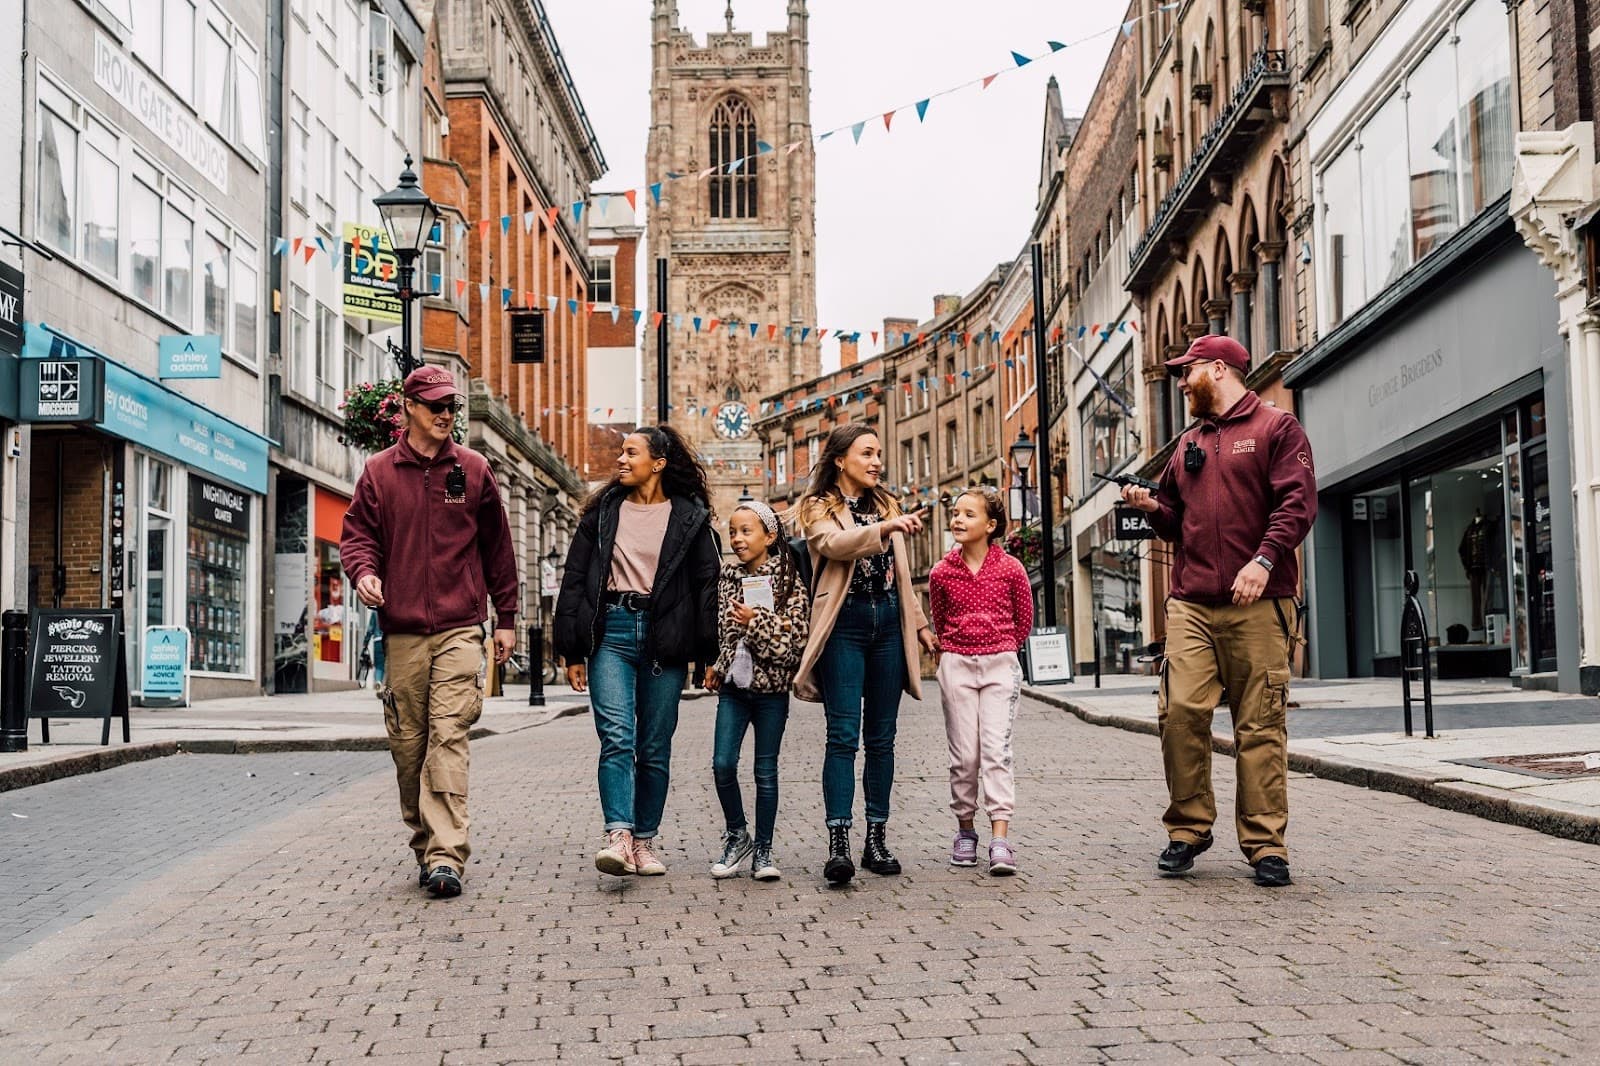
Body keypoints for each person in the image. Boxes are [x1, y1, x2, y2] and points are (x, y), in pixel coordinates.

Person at [1121, 334, 1317, 888]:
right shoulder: (1188, 443)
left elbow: (1298, 504)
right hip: (1191, 603)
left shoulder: (1277, 428)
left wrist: (1264, 559)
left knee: (1260, 725)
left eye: (1188, 372)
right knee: (1180, 712)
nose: (1182, 382)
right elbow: (1174, 518)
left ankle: (1265, 845)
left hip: (1259, 600)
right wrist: (1151, 507)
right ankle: (1188, 829)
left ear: (1218, 369)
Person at [340, 365, 518, 900]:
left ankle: (446, 855)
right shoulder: (378, 472)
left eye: (451, 407)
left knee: (448, 735)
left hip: (461, 626)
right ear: (409, 408)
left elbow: (498, 549)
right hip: (402, 632)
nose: (446, 415)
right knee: (409, 747)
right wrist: (364, 573)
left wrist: (506, 618)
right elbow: (358, 537)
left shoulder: (474, 469)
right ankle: (425, 844)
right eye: (436, 406)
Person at [554, 425, 719, 878]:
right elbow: (574, 579)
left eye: (631, 453)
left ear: (658, 463)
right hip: (612, 631)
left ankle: (644, 841)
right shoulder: (602, 513)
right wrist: (571, 651)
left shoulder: (690, 517)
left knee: (654, 745)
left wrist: (710, 654)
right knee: (617, 737)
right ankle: (619, 836)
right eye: (621, 452)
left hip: (666, 638)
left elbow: (708, 589)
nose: (621, 460)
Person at [793, 424, 939, 885]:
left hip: (888, 622)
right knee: (842, 736)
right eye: (867, 453)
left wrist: (919, 624)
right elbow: (832, 545)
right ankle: (838, 841)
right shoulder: (818, 507)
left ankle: (876, 838)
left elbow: (901, 575)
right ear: (840, 459)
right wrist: (884, 529)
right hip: (845, 623)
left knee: (882, 738)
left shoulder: (887, 504)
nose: (877, 462)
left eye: (878, 454)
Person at [927, 486, 1033, 876]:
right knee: (964, 757)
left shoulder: (1011, 568)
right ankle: (965, 831)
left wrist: (1001, 648)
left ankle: (1000, 838)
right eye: (956, 512)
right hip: (956, 663)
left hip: (999, 665)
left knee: (995, 752)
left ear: (990, 525)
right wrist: (955, 650)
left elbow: (1023, 619)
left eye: (969, 514)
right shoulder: (941, 572)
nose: (958, 519)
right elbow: (940, 619)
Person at [703, 498, 810, 882]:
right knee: (722, 764)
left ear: (770, 535)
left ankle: (763, 849)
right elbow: (726, 635)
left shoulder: (788, 580)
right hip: (734, 689)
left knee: (765, 771)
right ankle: (738, 835)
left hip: (771, 693)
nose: (737, 539)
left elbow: (794, 644)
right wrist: (718, 664)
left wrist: (756, 621)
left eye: (746, 531)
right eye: (733, 531)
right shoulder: (728, 578)